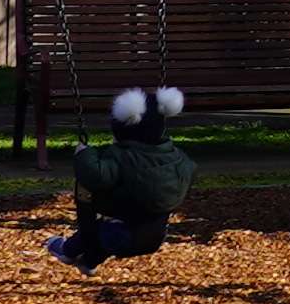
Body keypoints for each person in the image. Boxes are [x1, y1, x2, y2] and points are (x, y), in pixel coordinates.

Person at [45, 83, 197, 275]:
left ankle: (67, 251)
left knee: (99, 226)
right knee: (116, 225)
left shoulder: (122, 157)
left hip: (120, 236)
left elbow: (95, 175)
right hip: (155, 235)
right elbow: (191, 171)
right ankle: (88, 262)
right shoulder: (178, 158)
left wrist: (85, 153)